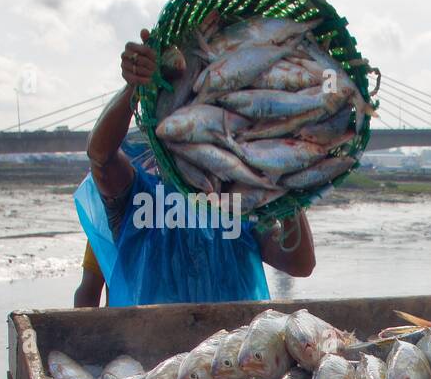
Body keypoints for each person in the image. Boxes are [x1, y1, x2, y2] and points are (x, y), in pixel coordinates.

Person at [74, 29, 316, 307]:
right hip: (147, 346)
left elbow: (300, 263)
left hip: (231, 347)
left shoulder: (240, 196)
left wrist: (285, 178)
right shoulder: (132, 193)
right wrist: (134, 87)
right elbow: (100, 156)